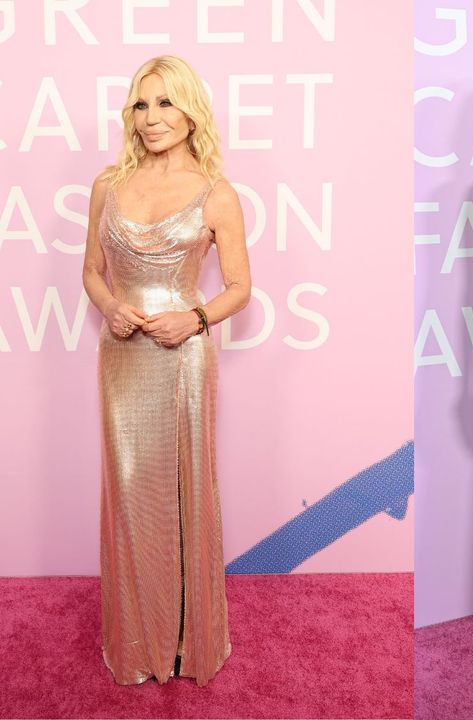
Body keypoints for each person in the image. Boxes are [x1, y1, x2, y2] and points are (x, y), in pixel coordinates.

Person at [82, 55, 250, 686]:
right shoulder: (107, 185)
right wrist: (109, 309)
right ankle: (137, 640)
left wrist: (196, 319)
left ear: (190, 113)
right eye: (141, 105)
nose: (151, 119)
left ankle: (188, 642)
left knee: (185, 494)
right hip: (122, 355)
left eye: (165, 104)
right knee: (131, 495)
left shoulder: (216, 193)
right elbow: (92, 271)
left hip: (185, 356)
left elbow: (240, 287)